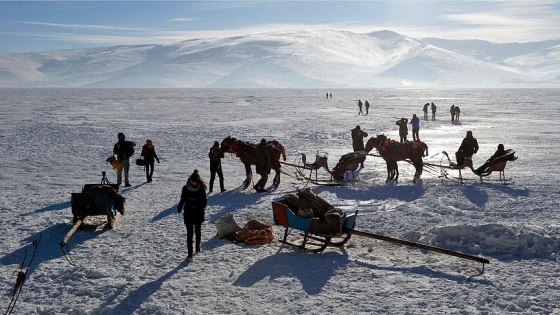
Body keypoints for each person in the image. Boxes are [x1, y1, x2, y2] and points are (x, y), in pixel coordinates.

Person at [177, 169, 207, 261]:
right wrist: (180, 206)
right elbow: (183, 199)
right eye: (192, 182)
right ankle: (190, 254)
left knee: (197, 231)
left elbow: (204, 201)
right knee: (189, 234)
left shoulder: (201, 188)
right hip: (188, 213)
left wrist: (199, 205)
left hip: (198, 212)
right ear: (190, 180)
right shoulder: (185, 188)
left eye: (195, 182)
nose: (194, 184)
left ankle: (197, 246)